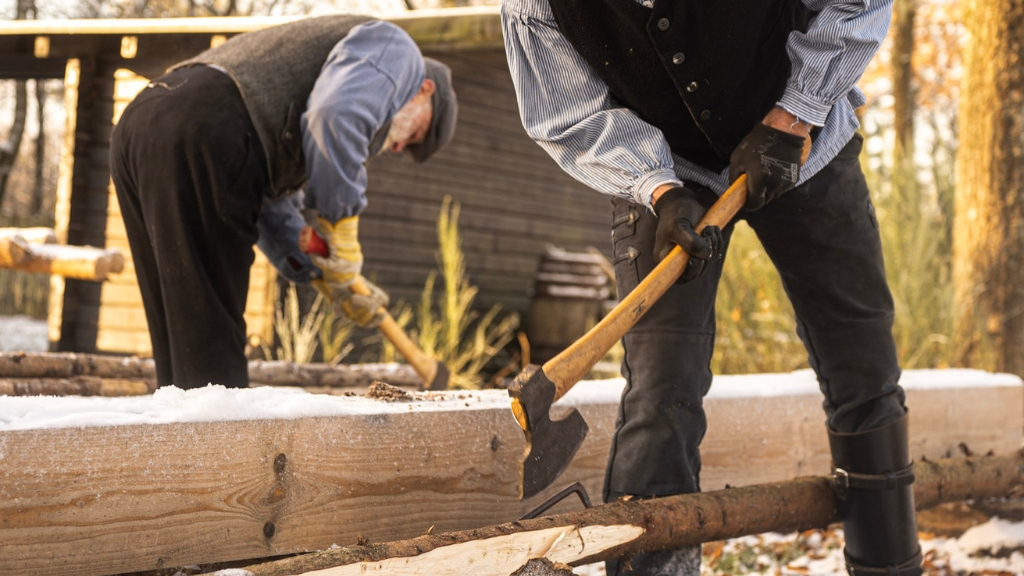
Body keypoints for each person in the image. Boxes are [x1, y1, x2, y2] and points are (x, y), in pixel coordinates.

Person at [502, 0, 921, 575]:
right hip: (664, 167)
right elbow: (564, 111)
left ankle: (889, 566)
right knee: (660, 391)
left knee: (864, 367)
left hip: (804, 142)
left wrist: (794, 113)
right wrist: (657, 188)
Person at [110, 16, 458, 390]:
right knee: (212, 348)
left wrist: (325, 274)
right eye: (417, 135)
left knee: (183, 343)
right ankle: (224, 447)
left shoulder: (287, 101)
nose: (400, 146)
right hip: (207, 125)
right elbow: (335, 117)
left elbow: (269, 204)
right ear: (424, 89)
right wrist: (341, 228)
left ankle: (184, 447)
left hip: (140, 122)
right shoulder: (398, 50)